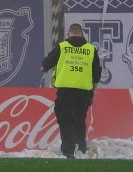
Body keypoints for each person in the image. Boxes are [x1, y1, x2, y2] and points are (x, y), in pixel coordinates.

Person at [41, 23, 102, 159]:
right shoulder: (91, 49)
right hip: (84, 91)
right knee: (80, 119)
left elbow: (47, 63)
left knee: (65, 119)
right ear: (82, 34)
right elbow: (97, 73)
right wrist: (94, 92)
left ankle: (68, 150)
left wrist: (44, 67)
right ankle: (80, 148)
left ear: (68, 34)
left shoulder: (63, 46)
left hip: (66, 91)